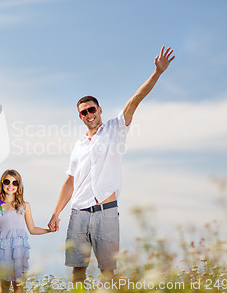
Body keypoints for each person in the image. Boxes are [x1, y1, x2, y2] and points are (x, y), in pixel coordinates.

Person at [48, 46, 175, 282]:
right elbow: (70, 180)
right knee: (78, 270)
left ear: (100, 110)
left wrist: (157, 73)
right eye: (84, 112)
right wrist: (56, 213)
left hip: (106, 212)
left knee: (108, 271)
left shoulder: (115, 129)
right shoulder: (78, 145)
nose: (89, 114)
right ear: (80, 116)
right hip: (78, 212)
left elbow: (134, 100)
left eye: (92, 109)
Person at [0, 169, 51, 293]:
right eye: (7, 182)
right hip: (3, 250)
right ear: (1, 184)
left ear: (19, 186)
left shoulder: (24, 206)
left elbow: (32, 229)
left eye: (15, 183)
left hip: (18, 250)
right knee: (4, 285)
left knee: (19, 285)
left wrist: (49, 229)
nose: (10, 186)